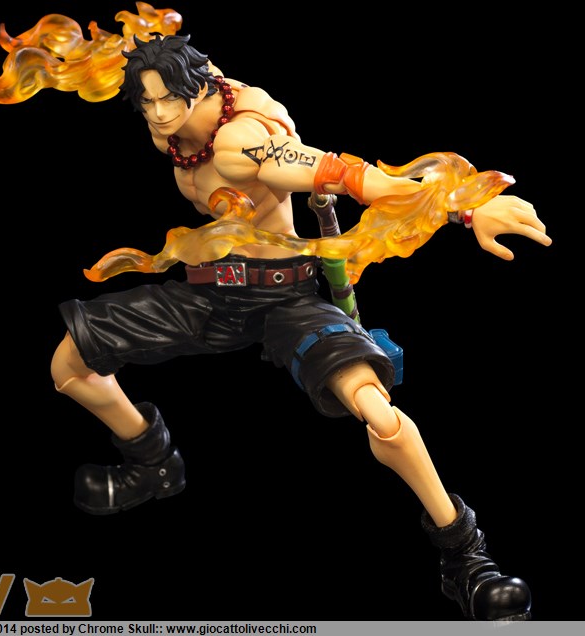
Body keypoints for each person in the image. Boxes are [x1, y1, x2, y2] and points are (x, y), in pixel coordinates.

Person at [49, 34, 551, 621]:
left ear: (199, 89)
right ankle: (154, 464)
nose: (158, 114)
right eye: (147, 102)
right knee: (69, 365)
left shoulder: (242, 143)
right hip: (210, 293)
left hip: (283, 297)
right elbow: (146, 61)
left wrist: (465, 207)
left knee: (379, 413)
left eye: (169, 100)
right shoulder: (177, 105)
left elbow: (356, 179)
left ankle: (466, 558)